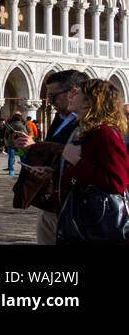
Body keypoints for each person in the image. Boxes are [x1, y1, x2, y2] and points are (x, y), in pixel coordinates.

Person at [12, 69, 88, 244]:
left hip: (72, 202)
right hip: (50, 199)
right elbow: (57, 150)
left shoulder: (87, 122)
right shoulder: (60, 118)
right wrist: (31, 148)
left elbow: (75, 152)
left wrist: (37, 146)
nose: (50, 102)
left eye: (53, 96)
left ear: (73, 92)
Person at [56, 78, 129, 244]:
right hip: (84, 220)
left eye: (77, 93)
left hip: (97, 226)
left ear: (88, 102)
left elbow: (117, 182)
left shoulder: (106, 133)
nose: (71, 96)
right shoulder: (90, 131)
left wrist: (77, 162)